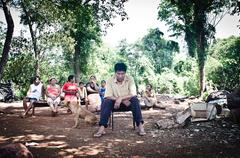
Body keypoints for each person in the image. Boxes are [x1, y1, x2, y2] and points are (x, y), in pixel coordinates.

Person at [94, 62, 146, 137]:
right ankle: (102, 128)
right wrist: (118, 100)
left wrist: (121, 98)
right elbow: (108, 95)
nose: (120, 76)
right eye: (118, 74)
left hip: (128, 104)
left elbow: (133, 94)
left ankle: (140, 126)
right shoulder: (110, 80)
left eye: (122, 74)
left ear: (125, 73)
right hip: (115, 105)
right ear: (115, 73)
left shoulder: (130, 79)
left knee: (135, 100)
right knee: (106, 101)